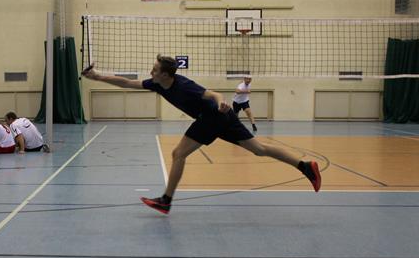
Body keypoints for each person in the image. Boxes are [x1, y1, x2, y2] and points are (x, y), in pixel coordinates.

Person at [81, 55, 321, 214]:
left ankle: (165, 201)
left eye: (155, 69)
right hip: (222, 118)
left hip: (213, 116)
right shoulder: (157, 84)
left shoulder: (183, 85)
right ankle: (305, 166)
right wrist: (98, 76)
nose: (150, 71)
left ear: (166, 74)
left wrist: (222, 101)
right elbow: (126, 83)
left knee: (178, 154)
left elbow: (212, 94)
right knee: (259, 149)